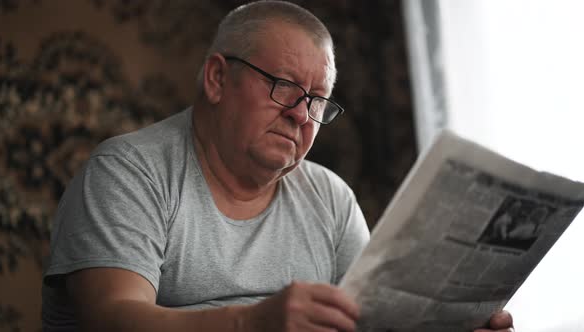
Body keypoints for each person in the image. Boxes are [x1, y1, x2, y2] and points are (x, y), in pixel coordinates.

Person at [41, 1, 515, 331]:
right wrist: (251, 323)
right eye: (284, 86)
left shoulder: (330, 199)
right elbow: (111, 319)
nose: (298, 112)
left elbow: (373, 326)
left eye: (316, 101)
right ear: (217, 78)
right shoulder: (128, 172)